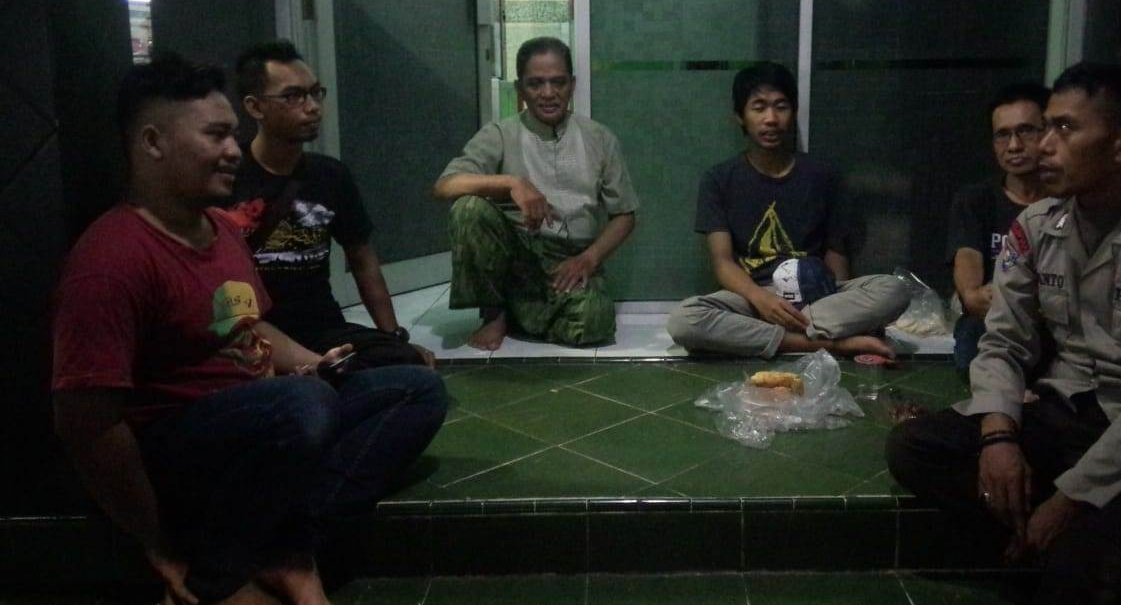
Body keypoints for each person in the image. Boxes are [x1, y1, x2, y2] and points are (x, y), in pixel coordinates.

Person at [51, 55, 447, 605]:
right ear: (153, 142)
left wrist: (314, 363)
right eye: (215, 135)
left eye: (232, 134)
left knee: (413, 389)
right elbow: (87, 425)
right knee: (299, 406)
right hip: (186, 447)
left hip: (260, 419)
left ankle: (284, 549)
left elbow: (246, 325)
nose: (234, 151)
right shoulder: (112, 260)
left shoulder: (220, 229)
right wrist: (156, 542)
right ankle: (219, 573)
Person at [886, 62, 1121, 605]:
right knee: (915, 447)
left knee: (1081, 571)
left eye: (1065, 128)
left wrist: (1070, 498)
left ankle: (1070, 540)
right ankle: (1040, 534)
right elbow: (1003, 342)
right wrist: (998, 437)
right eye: (1046, 126)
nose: (1043, 145)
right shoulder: (1038, 226)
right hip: (1062, 411)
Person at [665, 62, 910, 359]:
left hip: (817, 297)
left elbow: (836, 254)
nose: (771, 119)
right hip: (753, 298)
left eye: (780, 107)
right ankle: (831, 344)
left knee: (894, 290)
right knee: (685, 320)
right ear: (739, 116)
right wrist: (760, 299)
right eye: (759, 108)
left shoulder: (823, 175)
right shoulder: (719, 179)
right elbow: (722, 262)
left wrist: (845, 309)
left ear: (793, 113)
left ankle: (774, 336)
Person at [226, 41, 433, 370]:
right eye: (293, 96)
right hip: (252, 331)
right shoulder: (227, 176)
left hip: (322, 328)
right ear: (255, 107)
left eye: (315, 93)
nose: (312, 107)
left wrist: (393, 335)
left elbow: (362, 259)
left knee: (407, 363)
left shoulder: (330, 175)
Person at [433, 37, 639, 350]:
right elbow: (445, 186)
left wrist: (588, 259)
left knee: (594, 323)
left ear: (572, 85)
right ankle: (495, 312)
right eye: (536, 83)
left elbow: (624, 215)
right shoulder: (500, 134)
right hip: (516, 255)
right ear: (520, 89)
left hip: (568, 262)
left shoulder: (599, 138)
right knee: (469, 209)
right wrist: (512, 183)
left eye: (558, 82)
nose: (548, 93)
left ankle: (521, 310)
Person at [948, 83, 1050, 377]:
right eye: (1002, 135)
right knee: (972, 336)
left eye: (1026, 131)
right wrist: (972, 294)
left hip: (1054, 319)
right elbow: (969, 277)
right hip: (996, 316)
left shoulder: (1069, 202)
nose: (1014, 146)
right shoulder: (976, 199)